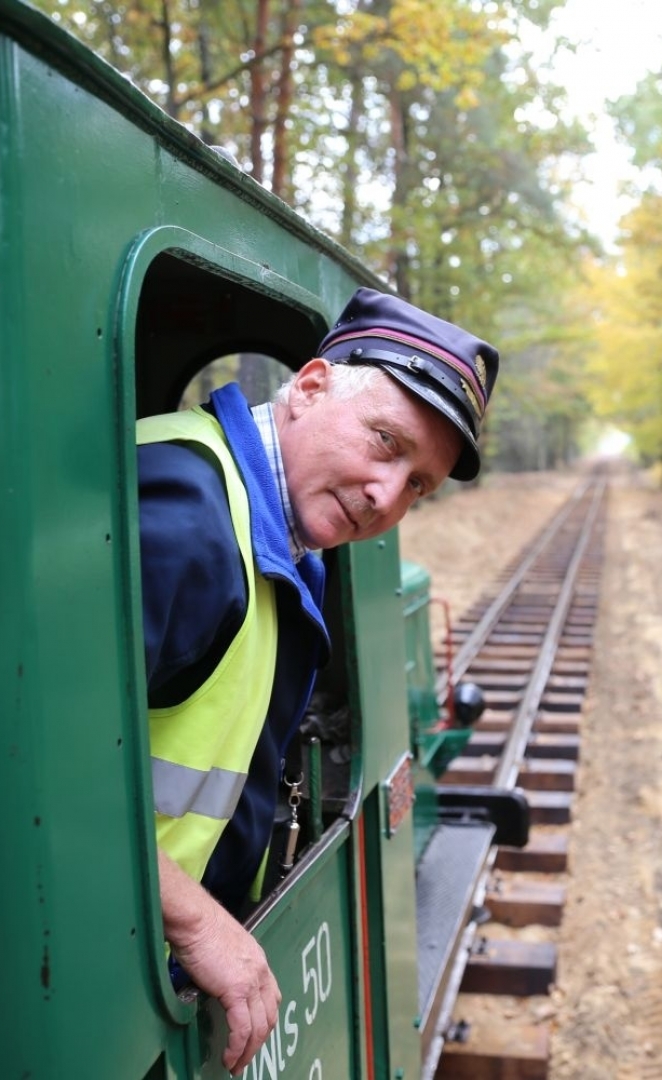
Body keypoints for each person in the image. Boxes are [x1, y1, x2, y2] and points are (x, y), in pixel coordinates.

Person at [135, 287, 499, 1074]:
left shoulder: (279, 531)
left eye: (418, 486)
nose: (384, 496)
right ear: (308, 387)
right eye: (384, 441)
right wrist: (197, 923)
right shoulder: (187, 514)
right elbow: (27, 773)